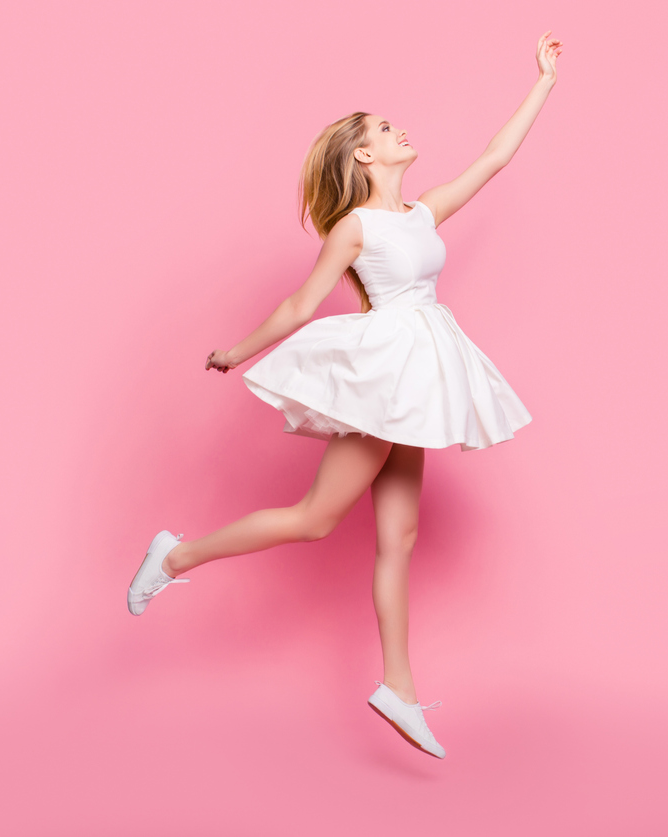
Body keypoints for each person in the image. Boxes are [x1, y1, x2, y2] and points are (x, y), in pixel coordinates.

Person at [128, 31, 563, 759]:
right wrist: (238, 351)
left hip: (422, 372)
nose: (400, 132)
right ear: (364, 155)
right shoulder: (355, 227)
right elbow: (303, 304)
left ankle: (397, 685)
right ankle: (174, 556)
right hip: (388, 375)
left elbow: (493, 159)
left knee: (401, 538)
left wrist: (543, 83)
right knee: (315, 520)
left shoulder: (420, 214)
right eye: (384, 129)